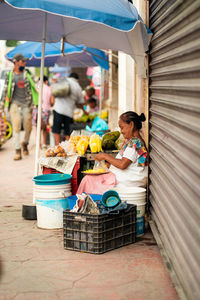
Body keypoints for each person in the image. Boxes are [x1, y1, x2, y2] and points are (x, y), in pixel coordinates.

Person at [77, 111, 148, 194]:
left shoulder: (135, 143)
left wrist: (105, 156)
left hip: (126, 182)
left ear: (131, 125)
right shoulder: (133, 141)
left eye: (122, 127)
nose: (121, 131)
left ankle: (83, 203)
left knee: (87, 180)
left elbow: (122, 164)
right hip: (122, 178)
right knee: (89, 179)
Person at [1, 53, 38, 160]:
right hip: (14, 104)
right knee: (16, 127)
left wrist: (36, 103)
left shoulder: (27, 74)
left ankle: (25, 143)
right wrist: (1, 106)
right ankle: (17, 151)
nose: (24, 63)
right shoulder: (9, 75)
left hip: (27, 104)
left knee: (28, 127)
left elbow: (34, 88)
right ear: (16, 62)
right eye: (22, 61)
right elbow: (5, 91)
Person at [52, 72, 85, 145]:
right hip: (68, 112)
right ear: (77, 79)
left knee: (56, 129)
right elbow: (81, 101)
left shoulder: (63, 81)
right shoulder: (77, 86)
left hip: (57, 109)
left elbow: (54, 93)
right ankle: (68, 146)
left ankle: (57, 146)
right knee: (68, 130)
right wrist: (84, 111)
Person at [32, 76, 54, 148]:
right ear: (46, 81)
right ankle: (44, 143)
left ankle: (39, 144)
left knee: (37, 127)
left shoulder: (36, 88)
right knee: (44, 128)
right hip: (46, 110)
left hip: (36, 109)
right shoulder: (49, 89)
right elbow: (52, 102)